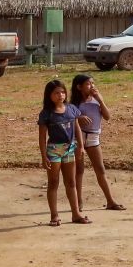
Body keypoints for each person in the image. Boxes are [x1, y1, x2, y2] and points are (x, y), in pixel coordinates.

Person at [37, 79, 89, 226]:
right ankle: (54, 215)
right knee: (53, 182)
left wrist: (81, 146)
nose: (60, 95)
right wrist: (43, 155)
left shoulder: (71, 109)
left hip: (70, 148)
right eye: (56, 93)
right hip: (54, 150)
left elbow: (77, 127)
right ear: (49, 95)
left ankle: (76, 214)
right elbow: (42, 137)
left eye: (62, 92)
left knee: (71, 182)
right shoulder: (46, 113)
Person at [69, 74, 124, 211]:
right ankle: (78, 201)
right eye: (88, 84)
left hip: (93, 137)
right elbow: (68, 120)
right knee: (79, 170)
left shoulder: (96, 100)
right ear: (79, 87)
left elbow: (107, 116)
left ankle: (110, 201)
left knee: (100, 169)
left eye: (93, 83)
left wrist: (100, 100)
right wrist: (79, 117)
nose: (92, 86)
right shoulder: (74, 104)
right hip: (78, 138)